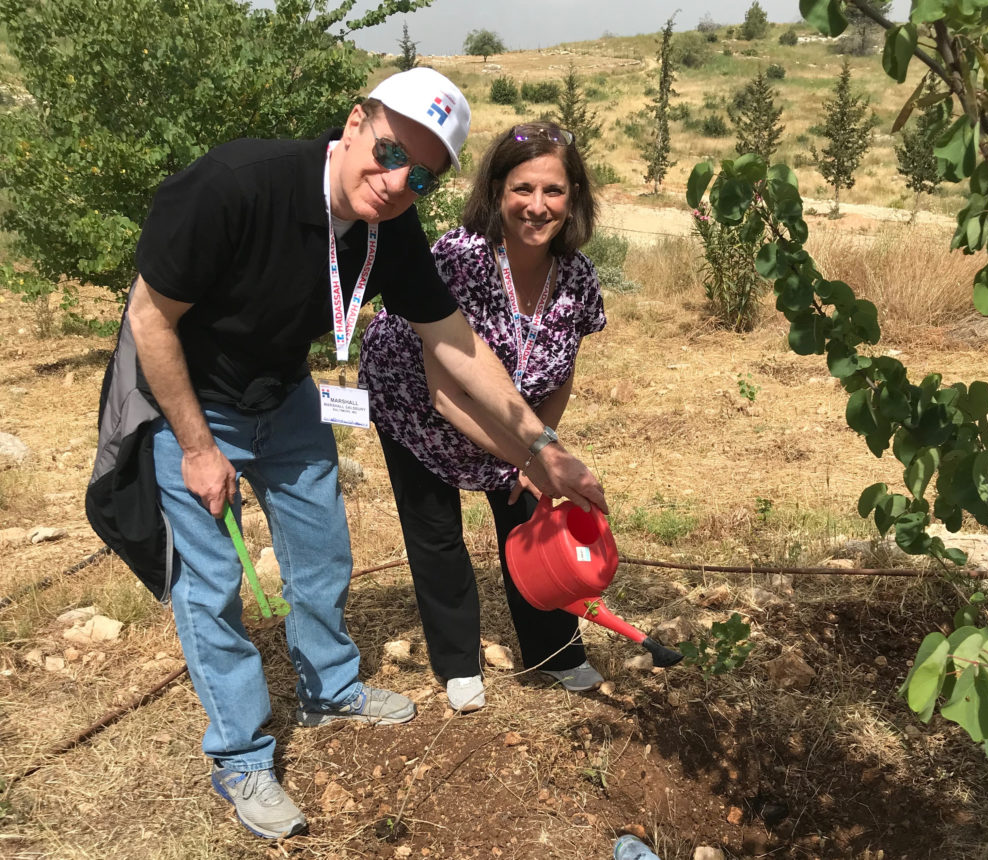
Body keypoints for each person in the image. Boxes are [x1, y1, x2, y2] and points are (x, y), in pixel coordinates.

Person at [85, 72, 606, 840]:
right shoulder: (237, 185)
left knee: (323, 553)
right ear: (356, 121)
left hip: (284, 394)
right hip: (188, 398)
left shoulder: (388, 224)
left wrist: (541, 446)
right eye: (390, 150)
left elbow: (454, 343)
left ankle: (329, 687)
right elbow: (148, 320)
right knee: (212, 584)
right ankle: (240, 754)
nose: (398, 182)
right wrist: (196, 447)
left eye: (421, 173)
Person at [359, 121, 606, 714]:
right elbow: (446, 394)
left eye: (553, 191)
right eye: (522, 189)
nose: (537, 206)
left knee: (530, 521)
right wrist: (528, 456)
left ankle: (555, 654)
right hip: (415, 405)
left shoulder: (577, 278)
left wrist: (541, 447)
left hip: (511, 423)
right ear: (496, 191)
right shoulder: (458, 258)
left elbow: (562, 371)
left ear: (573, 197)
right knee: (436, 532)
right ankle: (457, 663)